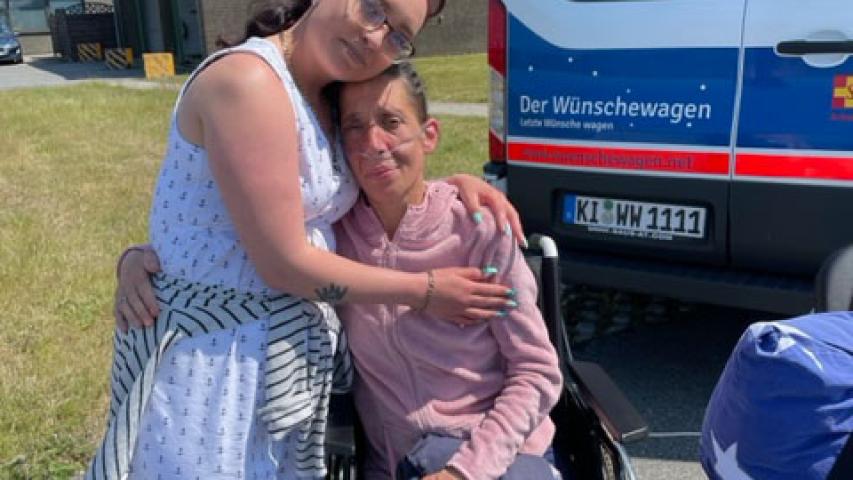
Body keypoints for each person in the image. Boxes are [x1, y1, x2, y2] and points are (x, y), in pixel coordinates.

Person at [87, 1, 525, 479]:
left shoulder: (328, 95)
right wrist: (425, 290)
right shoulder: (248, 81)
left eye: (399, 36)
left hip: (283, 361)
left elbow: (348, 185)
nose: (376, 37)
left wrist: (449, 188)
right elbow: (283, 263)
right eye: (373, 7)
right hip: (217, 364)